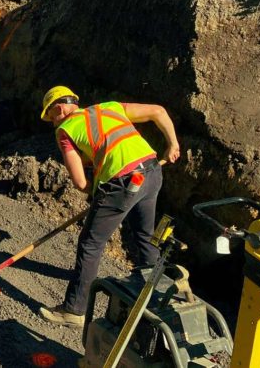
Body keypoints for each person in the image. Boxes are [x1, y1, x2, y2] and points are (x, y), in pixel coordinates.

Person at [37, 86, 181, 327]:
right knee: (145, 236)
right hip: (152, 170)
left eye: (51, 116)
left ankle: (74, 310)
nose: (53, 122)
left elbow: (80, 181)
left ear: (60, 109)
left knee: (91, 243)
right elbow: (158, 111)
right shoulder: (108, 108)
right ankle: (155, 299)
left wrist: (99, 195)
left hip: (123, 182)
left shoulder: (65, 130)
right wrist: (173, 144)